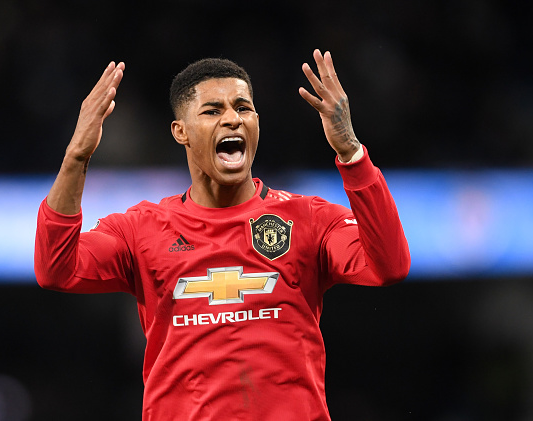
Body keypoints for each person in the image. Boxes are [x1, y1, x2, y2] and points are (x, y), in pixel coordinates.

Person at [35, 49, 411, 421]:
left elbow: (389, 266)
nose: (232, 119)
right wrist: (76, 156)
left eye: (243, 108)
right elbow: (55, 269)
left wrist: (351, 152)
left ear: (257, 122)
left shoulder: (309, 219)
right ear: (180, 131)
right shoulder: (141, 229)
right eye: (213, 111)